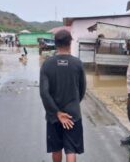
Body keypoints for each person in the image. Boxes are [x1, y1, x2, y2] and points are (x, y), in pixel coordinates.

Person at [39, 30, 86, 162]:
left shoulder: (47, 64)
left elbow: (44, 92)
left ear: (55, 44)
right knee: (71, 150)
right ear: (70, 43)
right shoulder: (78, 64)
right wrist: (74, 104)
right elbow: (82, 90)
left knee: (56, 148)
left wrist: (57, 113)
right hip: (73, 115)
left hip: (53, 116)